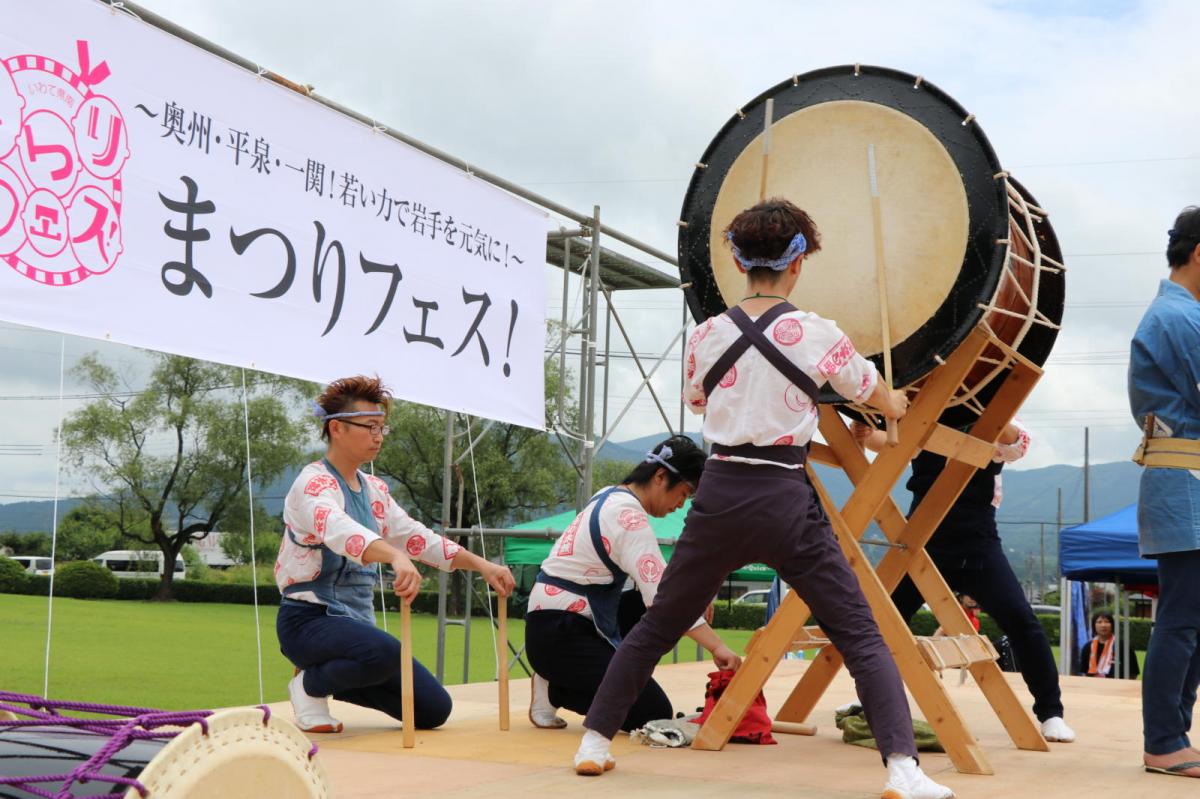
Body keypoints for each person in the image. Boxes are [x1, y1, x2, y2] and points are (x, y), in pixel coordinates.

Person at [574, 199, 953, 799]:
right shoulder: (819, 333)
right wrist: (895, 406)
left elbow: (699, 402)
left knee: (657, 626)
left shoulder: (706, 335)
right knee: (858, 633)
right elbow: (872, 392)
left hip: (720, 489)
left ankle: (593, 743)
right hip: (783, 493)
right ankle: (903, 771)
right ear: (797, 263)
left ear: (735, 259)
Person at [274, 375, 515, 733]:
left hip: (356, 629)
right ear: (337, 428)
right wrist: (394, 556)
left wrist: (480, 565)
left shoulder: (375, 490)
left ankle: (330, 678)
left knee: (433, 710)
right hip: (309, 620)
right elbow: (340, 529)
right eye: (370, 426)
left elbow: (416, 537)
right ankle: (310, 686)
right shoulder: (312, 484)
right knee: (384, 652)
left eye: (382, 428)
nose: (378, 436)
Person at [853, 416, 1074, 743]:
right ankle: (871, 701)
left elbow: (1018, 443)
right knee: (883, 621)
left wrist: (982, 409)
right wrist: (865, 435)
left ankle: (1051, 712)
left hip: (977, 543)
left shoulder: (992, 420)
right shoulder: (924, 419)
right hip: (921, 541)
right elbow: (888, 441)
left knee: (1021, 621)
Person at [524, 436, 741, 732]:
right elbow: (665, 600)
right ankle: (554, 688)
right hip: (560, 636)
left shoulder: (609, 495)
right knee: (652, 713)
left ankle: (573, 677)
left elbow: (661, 584)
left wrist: (699, 599)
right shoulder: (630, 520)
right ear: (661, 477)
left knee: (664, 605)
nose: (681, 505)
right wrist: (719, 648)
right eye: (684, 493)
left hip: (558, 624)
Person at [1128, 206, 1200, 778]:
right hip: (1184, 484)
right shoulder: (1179, 320)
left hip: (1185, 483)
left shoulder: (1181, 315)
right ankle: (1165, 739)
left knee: (1190, 617)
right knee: (1181, 618)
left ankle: (1175, 733)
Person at [1078, 612, 1139, 680]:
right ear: (1094, 626)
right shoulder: (1087, 647)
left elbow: (1133, 672)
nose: (1103, 625)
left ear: (1112, 625)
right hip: (1092, 687)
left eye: (1107, 622)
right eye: (1099, 622)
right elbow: (1084, 671)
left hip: (1118, 687)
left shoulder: (1123, 646)